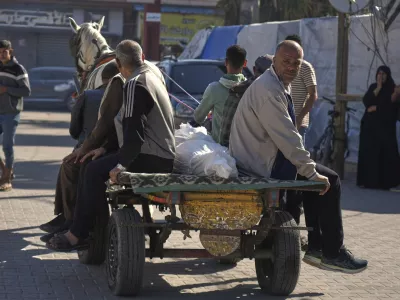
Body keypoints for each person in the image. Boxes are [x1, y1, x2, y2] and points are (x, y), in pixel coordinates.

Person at [229, 40, 368, 273]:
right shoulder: (269, 90)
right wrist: (310, 170)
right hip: (261, 164)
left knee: (314, 183)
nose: (292, 67)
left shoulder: (277, 83)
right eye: (286, 61)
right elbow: (288, 137)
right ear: (274, 60)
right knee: (329, 180)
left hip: (262, 158)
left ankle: (317, 249)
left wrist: (308, 169)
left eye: (297, 63)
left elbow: (288, 138)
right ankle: (332, 252)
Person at [47, 40, 175, 251]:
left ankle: (82, 234)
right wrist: (105, 149)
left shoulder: (135, 83)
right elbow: (132, 129)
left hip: (151, 156)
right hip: (159, 154)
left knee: (92, 171)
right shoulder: (152, 77)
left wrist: (121, 165)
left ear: (118, 62)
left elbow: (134, 133)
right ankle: (83, 229)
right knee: (94, 162)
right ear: (142, 58)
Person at [38, 61, 121, 239]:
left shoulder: (89, 95)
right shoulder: (129, 94)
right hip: (119, 150)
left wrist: (88, 145)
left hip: (97, 150)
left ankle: (68, 219)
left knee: (68, 166)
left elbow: (74, 131)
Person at [357, 66, 400, 190]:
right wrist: (379, 88)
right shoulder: (374, 87)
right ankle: (369, 181)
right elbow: (367, 102)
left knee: (385, 154)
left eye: (384, 74)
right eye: (379, 73)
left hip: (385, 128)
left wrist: (377, 108)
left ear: (388, 75)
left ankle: (386, 182)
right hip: (370, 127)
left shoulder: (393, 89)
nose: (381, 76)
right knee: (369, 153)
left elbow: (391, 108)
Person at [193, 45, 247, 143]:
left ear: (226, 62)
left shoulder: (214, 89)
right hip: (244, 149)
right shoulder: (251, 89)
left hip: (220, 150)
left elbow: (198, 117)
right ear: (245, 63)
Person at [218, 55, 271, 147]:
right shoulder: (258, 94)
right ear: (254, 70)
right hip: (241, 150)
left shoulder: (238, 88)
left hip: (227, 147)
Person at [0, 40, 31, 191]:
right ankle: (6, 171)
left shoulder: (18, 69)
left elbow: (26, 91)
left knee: (7, 144)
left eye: (4, 52)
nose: (1, 55)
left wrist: (6, 89)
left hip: (11, 113)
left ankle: (7, 177)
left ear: (10, 51)